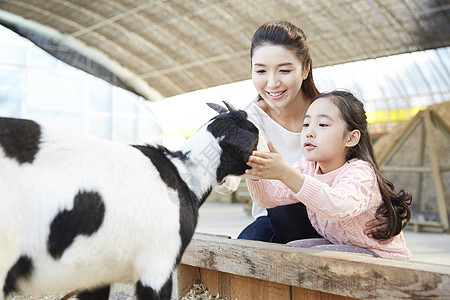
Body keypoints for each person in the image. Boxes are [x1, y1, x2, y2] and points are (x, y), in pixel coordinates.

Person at [217, 20, 388, 244]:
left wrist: (385, 210)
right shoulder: (247, 120)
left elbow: (361, 172)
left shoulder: (332, 111)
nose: (272, 82)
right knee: (255, 236)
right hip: (277, 219)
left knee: (286, 209)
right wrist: (223, 157)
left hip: (336, 218)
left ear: (305, 68)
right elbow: (237, 184)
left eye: (284, 70)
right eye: (261, 71)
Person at [245, 90, 412, 259]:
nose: (309, 132)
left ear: (351, 138)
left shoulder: (360, 173)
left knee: (303, 257)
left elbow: (337, 206)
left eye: (323, 125)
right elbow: (267, 198)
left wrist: (285, 173)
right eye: (306, 124)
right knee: (291, 250)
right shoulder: (308, 167)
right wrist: (252, 167)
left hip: (382, 259)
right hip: (346, 249)